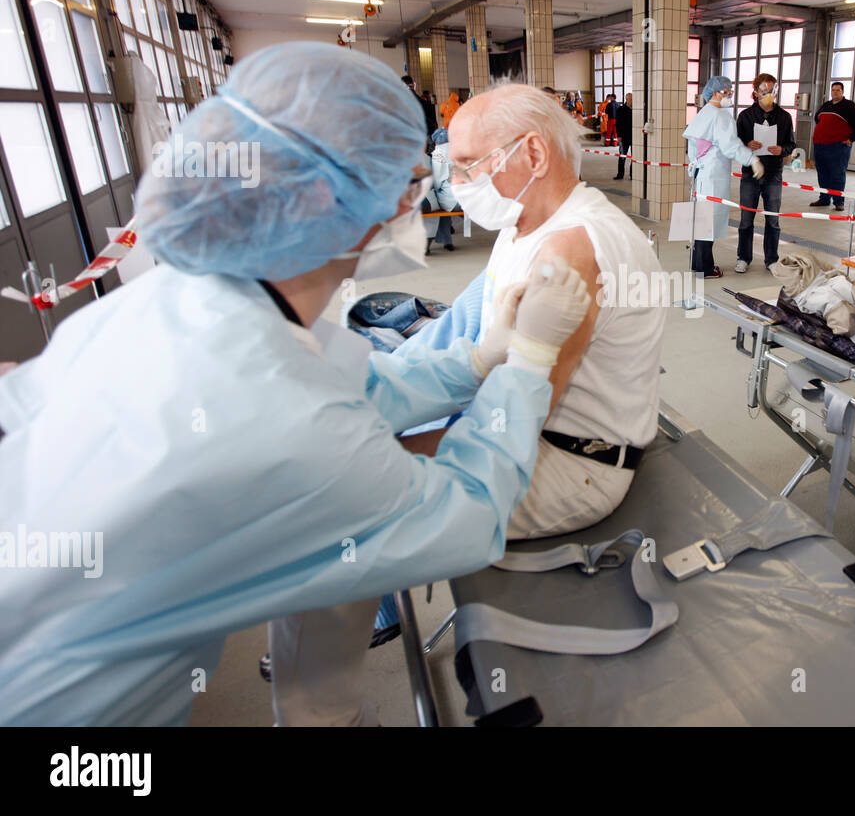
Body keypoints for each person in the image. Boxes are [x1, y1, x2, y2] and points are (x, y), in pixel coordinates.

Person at [0, 43, 593, 725]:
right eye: (401, 183)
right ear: (322, 196)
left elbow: (349, 386)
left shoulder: (169, 303)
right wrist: (526, 364)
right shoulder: (296, 428)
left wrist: (478, 357)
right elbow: (467, 516)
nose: (414, 201)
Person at [400, 82, 667, 540]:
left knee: (357, 504)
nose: (458, 183)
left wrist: (390, 458)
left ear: (534, 155)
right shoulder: (524, 220)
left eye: (469, 165)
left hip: (567, 463)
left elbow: (514, 426)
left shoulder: (569, 250)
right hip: (522, 431)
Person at [683, 76, 763, 278]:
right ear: (716, 92)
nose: (730, 95)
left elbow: (692, 147)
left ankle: (697, 264)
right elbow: (730, 146)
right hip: (713, 174)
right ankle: (705, 269)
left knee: (701, 220)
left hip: (701, 173)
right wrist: (751, 159)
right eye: (727, 92)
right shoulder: (720, 115)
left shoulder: (703, 113)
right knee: (708, 221)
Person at [735, 73, 795, 272]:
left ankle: (771, 260)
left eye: (771, 90)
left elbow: (790, 144)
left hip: (773, 173)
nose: (768, 94)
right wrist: (747, 144)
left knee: (773, 219)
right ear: (755, 92)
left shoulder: (784, 117)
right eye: (764, 90)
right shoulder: (745, 116)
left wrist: (782, 150)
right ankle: (744, 257)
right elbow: (735, 144)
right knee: (746, 219)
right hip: (750, 174)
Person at [809, 82, 855, 209]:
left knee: (837, 174)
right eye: (833, 90)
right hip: (820, 145)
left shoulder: (849, 106)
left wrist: (852, 138)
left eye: (838, 90)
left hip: (838, 147)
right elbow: (818, 119)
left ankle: (838, 202)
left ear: (842, 92)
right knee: (823, 174)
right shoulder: (826, 105)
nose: (835, 92)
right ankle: (824, 199)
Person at [423, 127, 459, 253]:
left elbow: (437, 182)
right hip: (465, 198)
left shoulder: (438, 155)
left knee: (439, 204)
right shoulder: (458, 151)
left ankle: (428, 244)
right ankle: (446, 240)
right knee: (441, 205)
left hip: (452, 201)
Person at [614, 92, 633, 180]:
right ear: (627, 99)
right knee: (622, 156)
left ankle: (632, 174)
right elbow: (618, 124)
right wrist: (619, 135)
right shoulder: (621, 110)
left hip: (634, 137)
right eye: (631, 99)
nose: (632, 101)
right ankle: (620, 174)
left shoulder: (637, 110)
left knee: (635, 157)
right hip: (624, 137)